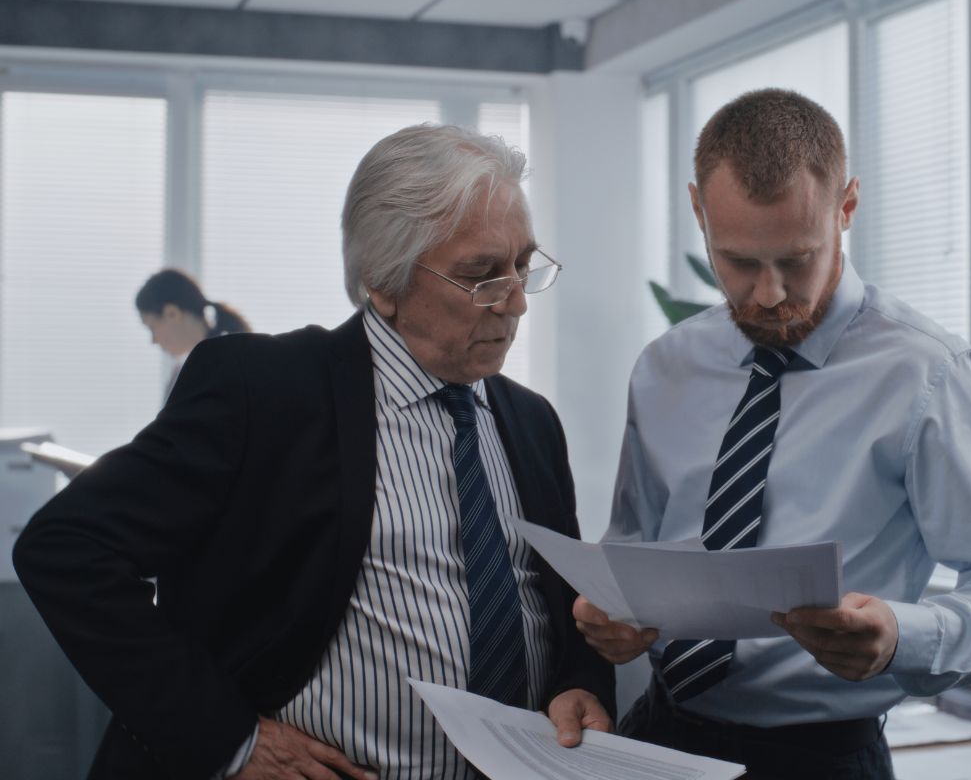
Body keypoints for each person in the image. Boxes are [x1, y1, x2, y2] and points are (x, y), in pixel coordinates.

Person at [14, 124, 614, 780]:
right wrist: (228, 741)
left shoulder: (530, 423)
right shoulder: (264, 391)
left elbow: (558, 611)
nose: (518, 302)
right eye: (482, 276)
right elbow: (68, 548)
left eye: (524, 266)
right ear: (382, 282)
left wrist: (578, 685)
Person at [573, 88, 971, 779]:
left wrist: (900, 638)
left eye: (798, 259)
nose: (768, 294)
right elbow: (630, 552)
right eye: (737, 261)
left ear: (847, 207)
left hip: (820, 760)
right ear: (697, 211)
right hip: (658, 738)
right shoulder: (665, 368)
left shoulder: (927, 375)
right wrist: (610, 616)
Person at [135, 268, 251, 399]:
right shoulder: (186, 370)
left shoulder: (225, 365)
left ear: (171, 313)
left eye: (152, 328)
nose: (153, 341)